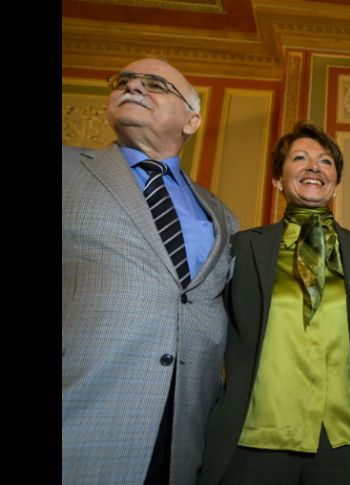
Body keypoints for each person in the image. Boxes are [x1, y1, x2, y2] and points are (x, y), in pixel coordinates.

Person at [62, 58, 240, 484]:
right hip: (82, 420)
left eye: (156, 84)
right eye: (123, 80)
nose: (134, 87)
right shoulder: (68, 169)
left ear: (191, 121)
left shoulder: (221, 215)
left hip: (182, 436)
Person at [198, 122, 350, 485]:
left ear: (336, 180)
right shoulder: (243, 247)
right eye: (299, 158)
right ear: (277, 179)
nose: (314, 167)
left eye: (325, 162)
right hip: (257, 439)